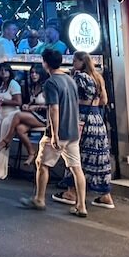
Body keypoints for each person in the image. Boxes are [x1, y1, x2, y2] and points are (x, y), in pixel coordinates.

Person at [20, 49, 87, 216]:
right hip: (73, 131)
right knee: (76, 168)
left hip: (58, 132)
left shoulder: (50, 83)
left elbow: (54, 109)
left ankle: (39, 199)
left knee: (42, 165)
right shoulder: (70, 79)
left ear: (45, 63)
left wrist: (55, 134)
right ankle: (82, 206)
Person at [54, 52, 114, 209]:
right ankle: (105, 195)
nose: (73, 63)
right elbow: (104, 100)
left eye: (75, 60)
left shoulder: (79, 77)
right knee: (99, 157)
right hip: (96, 120)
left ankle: (71, 192)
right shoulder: (98, 77)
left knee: (75, 154)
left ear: (82, 62)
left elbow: (69, 97)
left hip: (81, 119)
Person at [0, 64, 48, 166]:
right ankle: (31, 152)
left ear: (41, 74)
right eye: (32, 73)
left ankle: (5, 140)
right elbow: (33, 101)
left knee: (17, 115)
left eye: (36, 73)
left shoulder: (46, 87)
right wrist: (27, 105)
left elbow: (52, 106)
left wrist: (36, 107)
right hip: (33, 114)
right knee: (19, 129)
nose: (33, 75)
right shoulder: (32, 86)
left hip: (45, 117)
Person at [0, 63, 22, 180]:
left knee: (4, 139)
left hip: (12, 114)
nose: (3, 72)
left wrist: (4, 101)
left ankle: (0, 169)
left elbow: (18, 102)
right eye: (1, 70)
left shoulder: (14, 84)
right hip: (2, 114)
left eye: (6, 70)